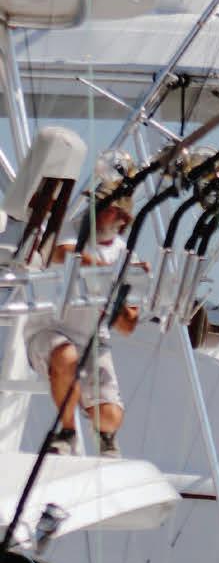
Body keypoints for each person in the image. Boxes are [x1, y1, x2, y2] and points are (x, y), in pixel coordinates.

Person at [25, 195, 145, 458]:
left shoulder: (127, 257)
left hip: (93, 342)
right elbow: (64, 253)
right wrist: (109, 275)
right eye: (96, 203)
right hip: (48, 331)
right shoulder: (71, 228)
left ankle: (103, 431)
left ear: (122, 219)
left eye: (107, 208)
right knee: (65, 355)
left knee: (110, 418)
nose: (97, 210)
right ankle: (66, 432)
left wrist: (117, 302)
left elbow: (127, 326)